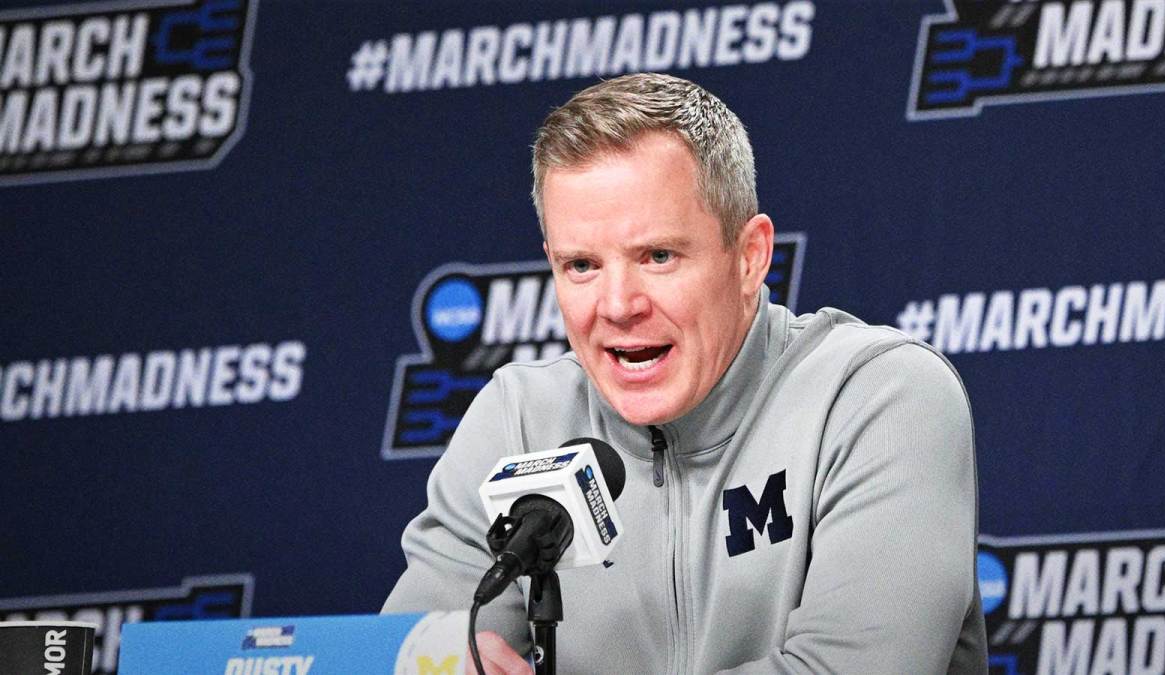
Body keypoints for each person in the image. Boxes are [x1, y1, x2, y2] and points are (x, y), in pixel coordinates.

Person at [383, 72, 986, 674]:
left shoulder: (877, 395)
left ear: (749, 257)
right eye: (582, 265)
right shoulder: (516, 420)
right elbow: (402, 655)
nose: (618, 305)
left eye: (658, 256)